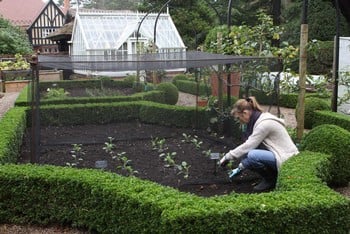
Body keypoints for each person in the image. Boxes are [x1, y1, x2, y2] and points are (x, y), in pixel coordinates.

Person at [219, 96, 299, 192]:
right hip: (278, 154)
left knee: (252, 155)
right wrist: (241, 167)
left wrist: (227, 157)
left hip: (286, 158)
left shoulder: (264, 124)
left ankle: (271, 180)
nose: (240, 121)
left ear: (245, 113)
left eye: (239, 118)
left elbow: (249, 146)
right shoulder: (258, 119)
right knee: (250, 157)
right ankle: (271, 177)